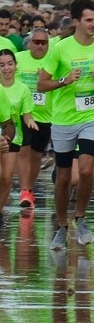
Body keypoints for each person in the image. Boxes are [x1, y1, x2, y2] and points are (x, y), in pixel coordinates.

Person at [37, 0, 94, 250]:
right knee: (63, 178)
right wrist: (64, 80)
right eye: (90, 20)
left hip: (92, 115)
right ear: (76, 21)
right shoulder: (61, 48)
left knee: (85, 170)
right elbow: (42, 84)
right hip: (63, 119)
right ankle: (61, 226)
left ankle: (80, 217)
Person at [14, 27, 52, 210]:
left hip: (46, 114)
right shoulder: (19, 58)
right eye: (36, 42)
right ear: (29, 43)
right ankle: (25, 190)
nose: (39, 46)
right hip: (23, 113)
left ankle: (29, 186)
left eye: (43, 42)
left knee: (37, 155)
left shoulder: (53, 61)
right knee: (23, 152)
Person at [0, 49, 31, 218]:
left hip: (12, 136)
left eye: (9, 64)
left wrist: (29, 120)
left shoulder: (22, 88)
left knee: (5, 178)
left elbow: (11, 121)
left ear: (15, 66)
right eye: (2, 65)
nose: (6, 68)